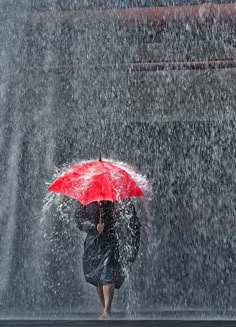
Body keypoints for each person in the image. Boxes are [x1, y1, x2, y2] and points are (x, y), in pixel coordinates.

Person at [74, 199, 141, 320]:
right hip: (93, 243)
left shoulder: (116, 197)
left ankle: (107, 311)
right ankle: (105, 308)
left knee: (107, 273)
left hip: (110, 240)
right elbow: (79, 220)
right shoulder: (84, 200)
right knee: (97, 276)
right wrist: (94, 227)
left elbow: (129, 216)